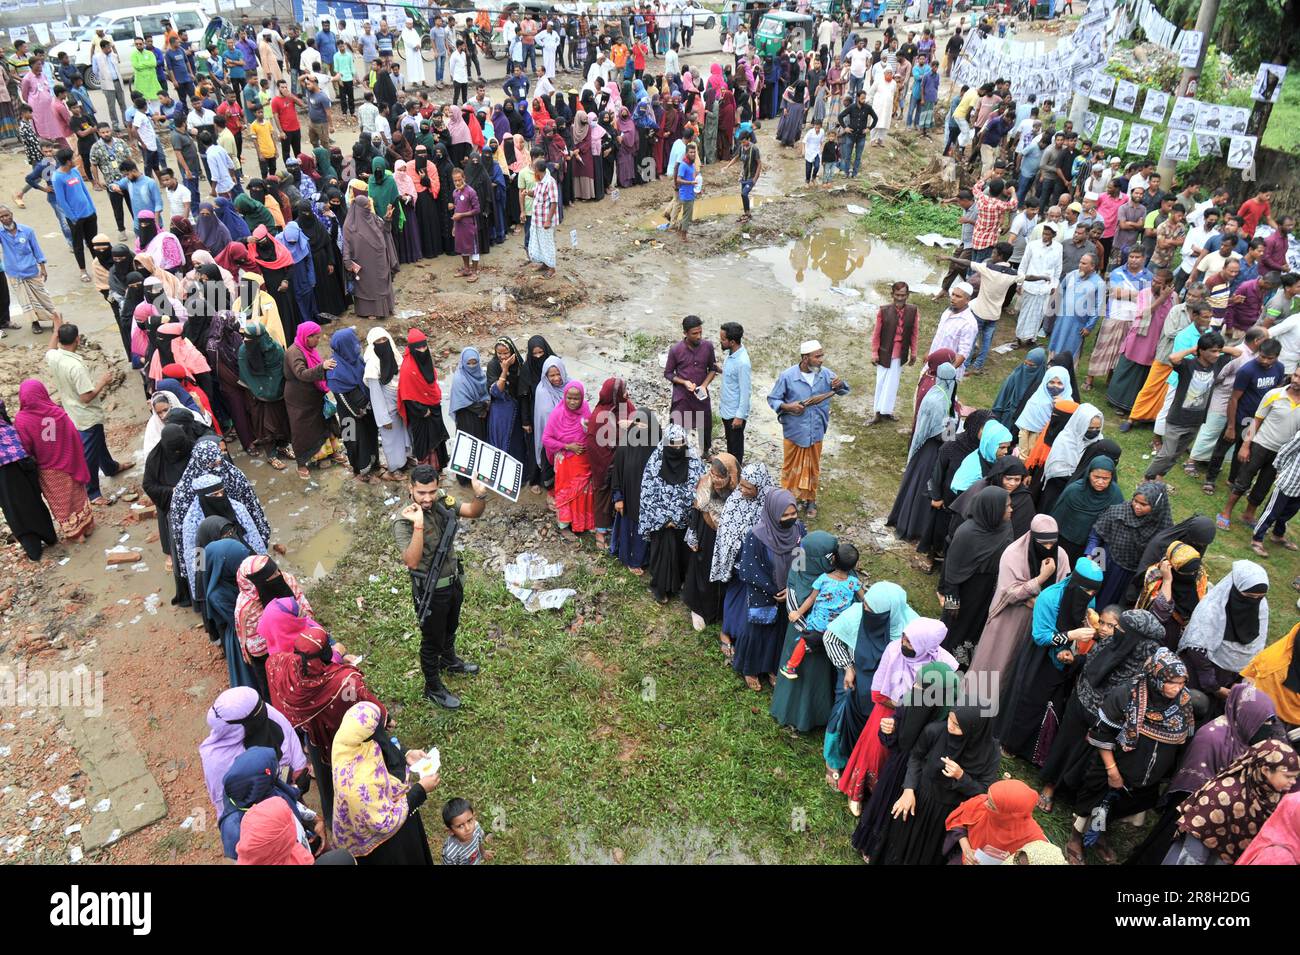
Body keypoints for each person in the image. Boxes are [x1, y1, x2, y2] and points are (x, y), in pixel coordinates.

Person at [396, 465, 489, 709]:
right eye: (421, 493)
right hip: (430, 590)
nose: (427, 498)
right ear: (411, 489)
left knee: (451, 626)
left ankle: (448, 660)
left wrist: (479, 494)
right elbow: (411, 561)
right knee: (431, 640)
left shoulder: (442, 501)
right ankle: (433, 687)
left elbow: (471, 511)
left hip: (453, 581)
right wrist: (418, 524)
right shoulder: (404, 519)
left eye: (432, 491)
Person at [331, 701, 440, 864]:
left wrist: (406, 754)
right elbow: (385, 823)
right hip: (386, 845)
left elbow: (384, 747)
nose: (383, 734)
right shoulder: (359, 786)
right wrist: (420, 790)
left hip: (395, 818)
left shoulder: (348, 742)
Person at [768, 339, 850, 520]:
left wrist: (840, 384)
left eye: (822, 355)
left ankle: (810, 499)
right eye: (817, 356)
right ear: (805, 358)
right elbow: (773, 399)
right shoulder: (788, 376)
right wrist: (789, 407)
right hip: (794, 432)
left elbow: (844, 390)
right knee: (790, 468)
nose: (821, 359)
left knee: (813, 467)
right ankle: (789, 500)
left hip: (816, 430)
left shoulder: (826, 375)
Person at [13, 378, 95, 543]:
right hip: (70, 462)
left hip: (48, 469)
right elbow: (73, 435)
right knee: (78, 494)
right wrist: (74, 456)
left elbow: (26, 447)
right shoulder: (57, 411)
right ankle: (87, 525)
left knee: (61, 502)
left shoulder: (22, 420)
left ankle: (76, 534)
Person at [782, 540, 862, 679]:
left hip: (818, 623)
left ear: (833, 559)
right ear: (854, 565)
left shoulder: (823, 579)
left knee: (803, 640)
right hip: (838, 626)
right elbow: (864, 599)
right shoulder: (853, 582)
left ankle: (790, 666)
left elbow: (811, 599)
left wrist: (798, 612)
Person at [544, 379, 595, 541]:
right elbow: (546, 438)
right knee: (566, 493)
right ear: (564, 397)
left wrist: (590, 429)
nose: (573, 402)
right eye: (569, 398)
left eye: (576, 398)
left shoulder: (586, 410)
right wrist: (568, 446)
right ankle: (564, 525)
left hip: (584, 460)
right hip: (566, 460)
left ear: (582, 398)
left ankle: (582, 523)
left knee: (584, 492)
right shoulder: (557, 414)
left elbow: (592, 431)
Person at [328, 328, 380, 483]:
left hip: (366, 409)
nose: (356, 346)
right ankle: (360, 472)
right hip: (349, 415)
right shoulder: (335, 371)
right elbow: (341, 398)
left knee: (370, 436)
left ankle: (374, 464)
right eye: (352, 343)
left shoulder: (356, 360)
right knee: (354, 441)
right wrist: (357, 413)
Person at [664, 315, 718, 453]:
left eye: (700, 332)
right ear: (685, 333)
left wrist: (704, 385)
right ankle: (676, 452)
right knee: (678, 425)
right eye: (695, 333)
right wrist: (684, 382)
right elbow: (668, 373)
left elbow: (712, 369)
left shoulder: (708, 346)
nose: (699, 336)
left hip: (701, 394)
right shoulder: (676, 350)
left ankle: (705, 452)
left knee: (705, 424)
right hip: (682, 396)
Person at [869, 282, 917, 423]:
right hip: (885, 353)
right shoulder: (883, 311)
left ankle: (887, 411)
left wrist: (913, 352)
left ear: (907, 295)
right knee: (881, 383)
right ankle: (877, 413)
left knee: (893, 384)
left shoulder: (913, 311)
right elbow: (876, 334)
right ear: (892, 295)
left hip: (900, 354)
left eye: (903, 295)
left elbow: (914, 333)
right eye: (897, 295)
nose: (900, 298)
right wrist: (874, 353)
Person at [717, 322, 750, 463]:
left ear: (732, 341)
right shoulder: (732, 354)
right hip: (726, 409)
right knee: (730, 444)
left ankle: (736, 475)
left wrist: (739, 416)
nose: (720, 341)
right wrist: (721, 370)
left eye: (723, 339)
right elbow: (733, 377)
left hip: (734, 414)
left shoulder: (742, 362)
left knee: (736, 449)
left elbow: (746, 391)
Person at [442, 797, 492, 864]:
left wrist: (483, 852)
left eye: (469, 821)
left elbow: (478, 841)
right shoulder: (450, 853)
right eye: (460, 826)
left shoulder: (476, 827)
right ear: (450, 831)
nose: (468, 828)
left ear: (474, 817)